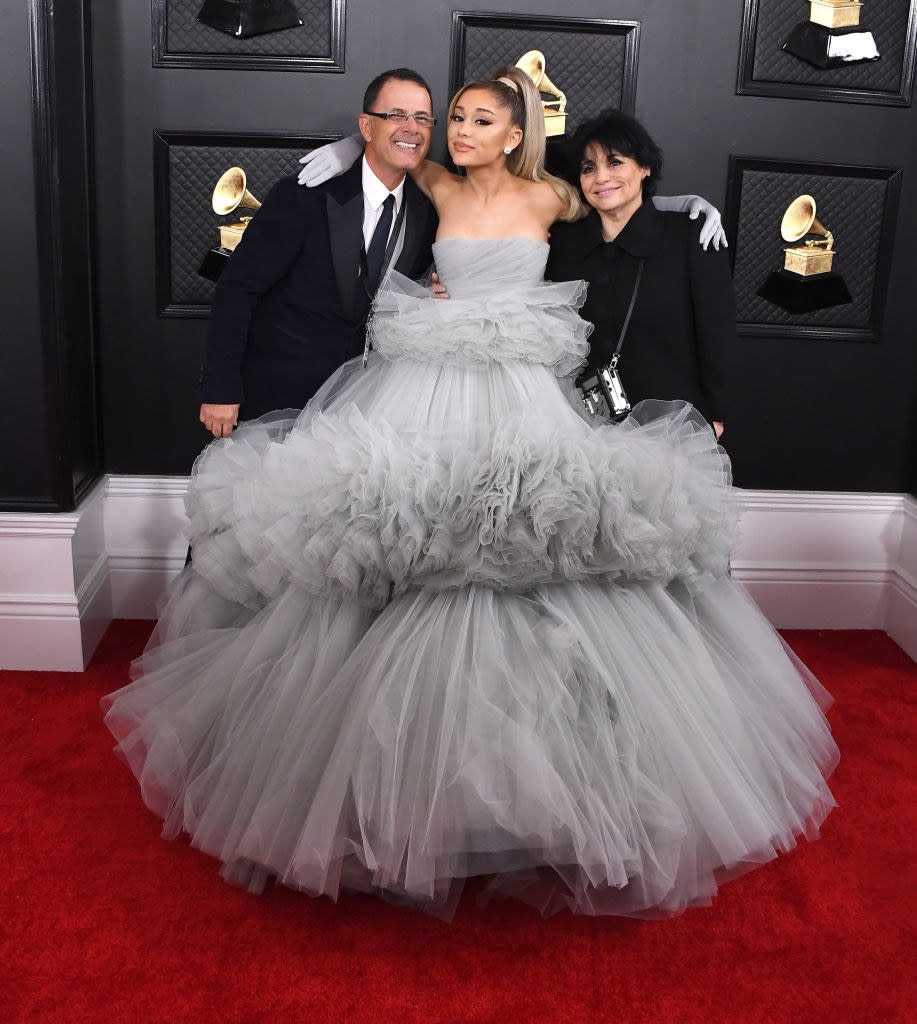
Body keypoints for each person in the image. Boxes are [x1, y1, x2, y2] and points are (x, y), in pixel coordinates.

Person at [102, 66, 837, 920]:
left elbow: (616, 194)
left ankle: (549, 789)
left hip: (524, 392)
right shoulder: (436, 180)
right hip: (423, 382)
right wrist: (344, 143)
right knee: (401, 533)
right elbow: (388, 145)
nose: (454, 129)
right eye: (454, 116)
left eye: (477, 118)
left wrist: (682, 207)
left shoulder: (555, 196)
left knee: (535, 542)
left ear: (515, 132)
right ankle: (389, 782)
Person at [198, 68, 438, 438]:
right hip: (277, 398)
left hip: (361, 407)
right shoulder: (302, 196)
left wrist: (433, 293)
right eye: (396, 115)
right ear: (367, 126)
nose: (412, 127)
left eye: (422, 118)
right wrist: (220, 388)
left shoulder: (427, 211)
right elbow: (237, 289)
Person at [547, 110, 733, 438]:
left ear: (645, 167)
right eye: (589, 168)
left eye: (615, 162)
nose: (601, 177)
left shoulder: (690, 235)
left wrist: (716, 412)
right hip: (581, 422)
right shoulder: (564, 243)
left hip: (669, 420)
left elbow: (716, 330)